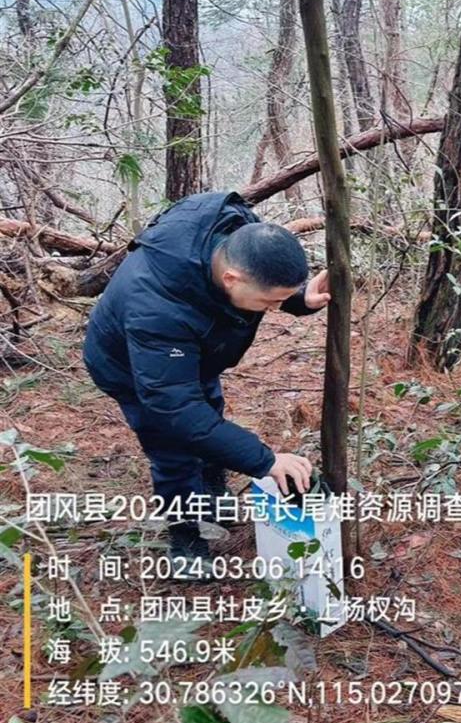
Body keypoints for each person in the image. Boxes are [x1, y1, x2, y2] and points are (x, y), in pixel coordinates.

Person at [83, 191, 328, 575]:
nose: (274, 309)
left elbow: (259, 274)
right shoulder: (158, 308)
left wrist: (299, 297)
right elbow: (176, 409)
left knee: (208, 409)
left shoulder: (233, 227)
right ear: (231, 278)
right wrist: (264, 461)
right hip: (129, 366)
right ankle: (186, 538)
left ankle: (213, 492)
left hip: (193, 350)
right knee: (175, 447)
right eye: (270, 302)